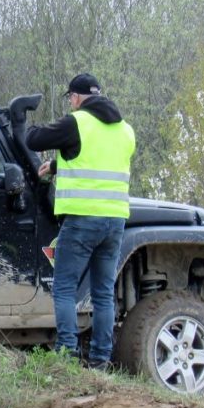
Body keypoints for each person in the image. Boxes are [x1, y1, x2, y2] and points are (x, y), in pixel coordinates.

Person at [25, 72, 136, 368]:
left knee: (64, 288)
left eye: (71, 99)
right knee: (103, 294)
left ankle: (67, 354)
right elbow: (96, 158)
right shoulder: (126, 130)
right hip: (115, 222)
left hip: (83, 220)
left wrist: (22, 124)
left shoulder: (76, 122)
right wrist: (57, 164)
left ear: (75, 97)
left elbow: (34, 139)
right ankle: (100, 360)